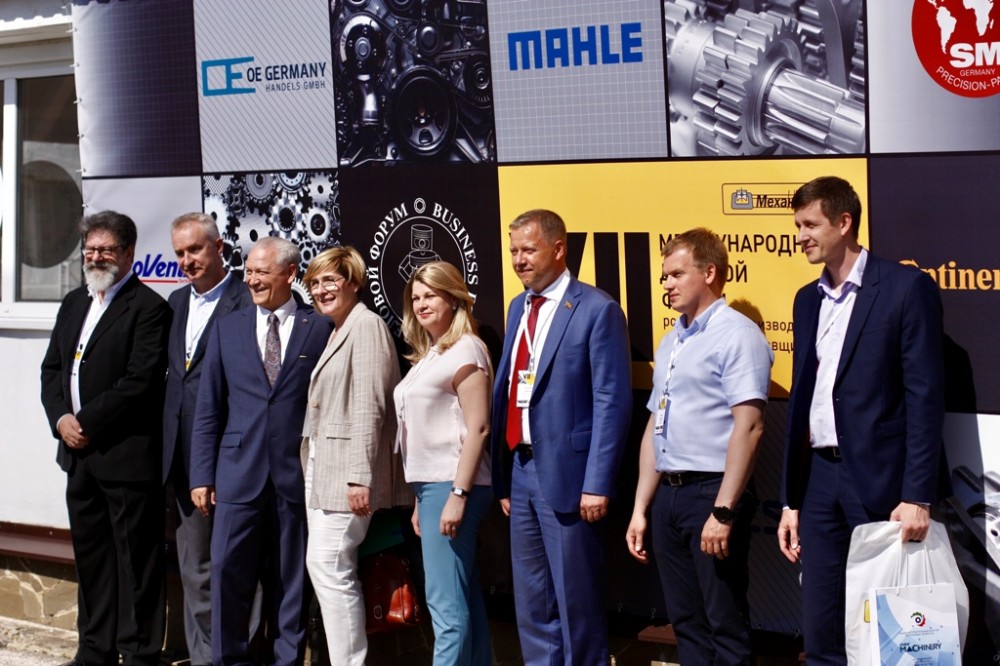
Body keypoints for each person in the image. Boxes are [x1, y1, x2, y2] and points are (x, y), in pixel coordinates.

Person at [776, 176, 945, 664]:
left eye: (811, 225)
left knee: (892, 634)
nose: (801, 236)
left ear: (844, 222)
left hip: (883, 484)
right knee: (821, 628)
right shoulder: (807, 299)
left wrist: (917, 495)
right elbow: (804, 399)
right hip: (818, 481)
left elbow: (924, 397)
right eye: (798, 226)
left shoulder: (905, 288)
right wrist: (790, 499)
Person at [490, 209, 632, 665]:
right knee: (533, 605)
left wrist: (597, 482)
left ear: (558, 248)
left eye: (528, 250)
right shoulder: (518, 307)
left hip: (571, 479)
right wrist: (504, 475)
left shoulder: (596, 309)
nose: (518, 260)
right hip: (521, 470)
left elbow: (612, 401)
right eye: (513, 251)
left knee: (576, 605)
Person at [626, 228, 773, 665]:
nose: (666, 284)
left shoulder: (738, 335)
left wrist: (723, 511)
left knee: (724, 622)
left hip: (712, 493)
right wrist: (641, 508)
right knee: (686, 622)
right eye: (664, 276)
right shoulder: (671, 340)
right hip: (668, 498)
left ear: (709, 273)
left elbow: (750, 427)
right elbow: (655, 425)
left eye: (676, 274)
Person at [189, 236, 332, 666]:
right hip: (237, 475)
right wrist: (202, 475)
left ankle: (285, 661)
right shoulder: (227, 327)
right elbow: (209, 408)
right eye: (248, 271)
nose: (251, 280)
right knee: (228, 575)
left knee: (292, 582)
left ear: (290, 273)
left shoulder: (319, 328)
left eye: (261, 272)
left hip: (295, 477)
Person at [40, 210, 171, 666]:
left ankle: (138, 654)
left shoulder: (149, 308)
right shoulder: (74, 302)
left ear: (129, 253)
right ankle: (94, 649)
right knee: (92, 559)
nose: (96, 257)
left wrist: (86, 422)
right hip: (78, 458)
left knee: (136, 564)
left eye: (106, 249)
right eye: (90, 249)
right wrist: (61, 419)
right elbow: (52, 369)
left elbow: (140, 382)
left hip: (125, 457)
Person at [299, 246, 404, 666]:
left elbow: (369, 406)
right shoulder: (340, 328)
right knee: (328, 567)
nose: (320, 289)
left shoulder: (367, 326)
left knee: (328, 565)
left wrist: (361, 476)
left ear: (354, 282)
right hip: (324, 470)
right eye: (314, 282)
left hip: (347, 474)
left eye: (330, 280)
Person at [162, 212, 255, 666]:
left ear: (219, 248)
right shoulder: (176, 302)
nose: (187, 260)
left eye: (195, 249)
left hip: (234, 457)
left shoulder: (248, 300)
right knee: (195, 567)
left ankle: (239, 655)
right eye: (180, 253)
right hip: (182, 459)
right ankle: (204, 659)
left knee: (239, 566)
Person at [395, 261, 494, 665]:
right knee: (461, 596)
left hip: (452, 485)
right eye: (416, 297)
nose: (421, 304)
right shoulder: (431, 355)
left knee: (445, 608)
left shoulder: (467, 349)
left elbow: (479, 428)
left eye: (430, 295)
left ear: (453, 299)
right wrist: (422, 499)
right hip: (432, 489)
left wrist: (457, 493)